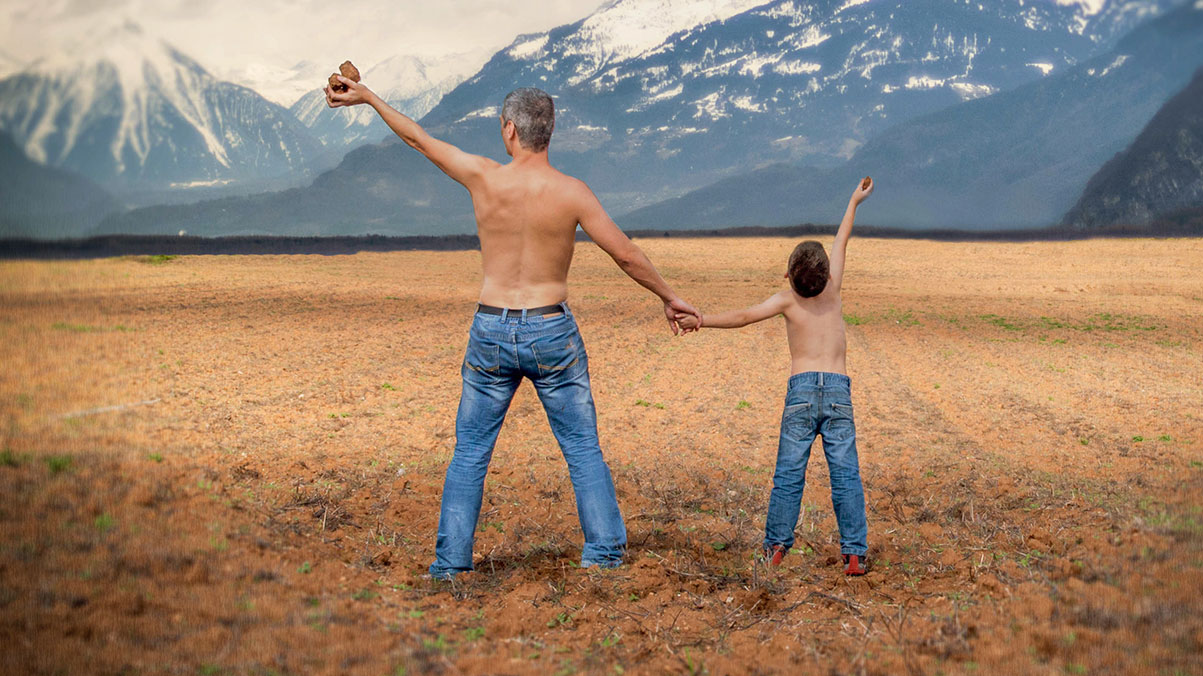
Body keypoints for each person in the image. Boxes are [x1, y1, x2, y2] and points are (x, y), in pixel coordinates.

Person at [324, 78, 702, 575]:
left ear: (509, 131)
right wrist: (670, 297)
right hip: (551, 331)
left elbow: (417, 138)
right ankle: (604, 555)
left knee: (471, 453)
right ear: (549, 133)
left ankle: (450, 565)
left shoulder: (485, 178)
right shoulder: (571, 192)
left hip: (491, 329)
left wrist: (369, 97)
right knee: (582, 447)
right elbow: (626, 255)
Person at [675, 175, 874, 575]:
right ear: (826, 275)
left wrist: (703, 320)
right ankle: (853, 553)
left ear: (788, 277)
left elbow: (745, 316)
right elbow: (842, 239)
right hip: (837, 390)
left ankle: (775, 548)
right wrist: (854, 200)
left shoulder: (785, 300)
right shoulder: (833, 291)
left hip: (800, 391)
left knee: (788, 476)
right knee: (846, 476)